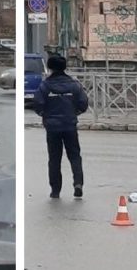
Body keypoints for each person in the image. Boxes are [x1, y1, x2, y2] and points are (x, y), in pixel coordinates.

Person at [33, 54, 88, 199]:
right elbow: (83, 103)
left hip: (52, 127)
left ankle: (55, 190)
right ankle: (78, 183)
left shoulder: (45, 86)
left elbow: (37, 104)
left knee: (54, 158)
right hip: (70, 125)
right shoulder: (74, 85)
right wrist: (74, 113)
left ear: (50, 68)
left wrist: (44, 115)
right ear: (65, 67)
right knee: (75, 156)